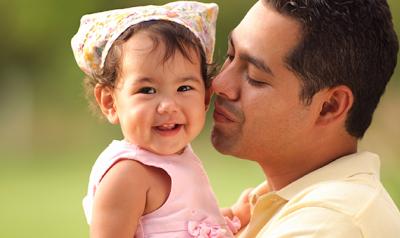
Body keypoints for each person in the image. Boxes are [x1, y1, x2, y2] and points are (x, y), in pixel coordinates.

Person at [211, 0, 400, 237]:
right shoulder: (265, 206)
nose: (219, 84)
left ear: (329, 107)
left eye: (255, 77)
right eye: (230, 54)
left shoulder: (331, 221)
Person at [71, 2, 245, 237]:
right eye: (148, 90)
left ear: (205, 97)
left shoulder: (179, 158)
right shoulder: (127, 176)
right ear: (110, 102)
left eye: (184, 88)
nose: (168, 106)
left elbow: (179, 224)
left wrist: (231, 215)